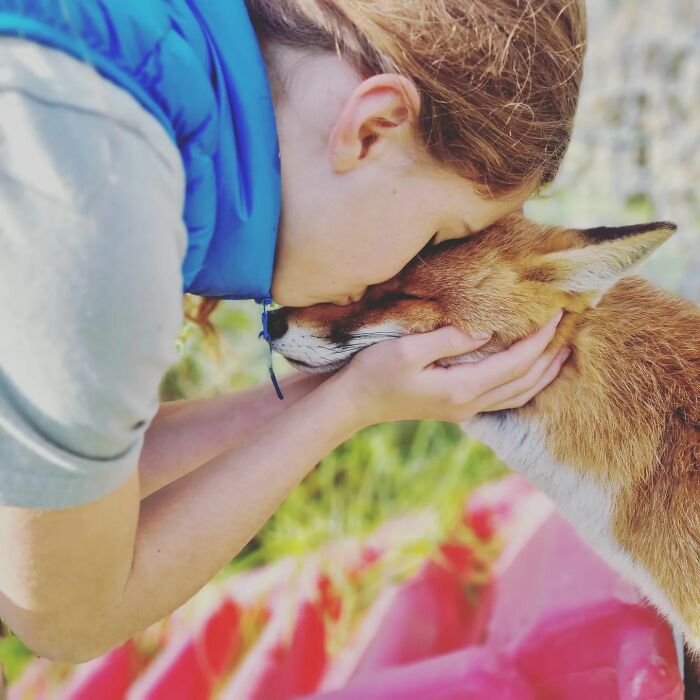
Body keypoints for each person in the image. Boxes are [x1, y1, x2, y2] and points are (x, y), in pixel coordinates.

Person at [0, 0, 585, 663]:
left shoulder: (125, 64)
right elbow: (65, 612)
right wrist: (347, 407)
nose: (409, 269)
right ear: (372, 128)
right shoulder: (103, 195)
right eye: (438, 234)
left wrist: (343, 391)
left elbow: (55, 493)